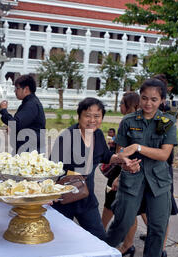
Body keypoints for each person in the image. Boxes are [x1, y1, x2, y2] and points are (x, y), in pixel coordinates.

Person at [106, 78, 178, 257]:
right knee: (121, 222)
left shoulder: (167, 122)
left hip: (158, 182)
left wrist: (137, 147)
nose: (148, 103)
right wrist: (123, 163)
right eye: (145, 98)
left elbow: (164, 154)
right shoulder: (128, 121)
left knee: (157, 227)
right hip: (132, 179)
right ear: (140, 97)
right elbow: (119, 154)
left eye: (154, 99)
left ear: (162, 100)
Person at [51, 97, 140, 241]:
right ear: (79, 116)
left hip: (86, 196)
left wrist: (121, 159)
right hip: (64, 198)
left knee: (98, 238)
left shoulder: (97, 134)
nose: (92, 120)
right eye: (88, 115)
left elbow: (105, 155)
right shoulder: (66, 137)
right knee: (59, 240)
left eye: (97, 116)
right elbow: (52, 168)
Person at [102, 92, 140, 230]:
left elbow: (120, 153)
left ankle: (99, 234)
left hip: (122, 168)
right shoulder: (141, 122)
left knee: (110, 205)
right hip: (135, 168)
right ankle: (129, 244)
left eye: (121, 104)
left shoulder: (126, 122)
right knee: (133, 211)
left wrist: (118, 176)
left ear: (127, 105)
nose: (120, 106)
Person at [0, 74, 46, 154]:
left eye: (17, 88)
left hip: (30, 150)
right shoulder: (28, 103)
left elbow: (15, 123)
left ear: (26, 89)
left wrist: (4, 111)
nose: (15, 91)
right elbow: (22, 124)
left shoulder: (31, 105)